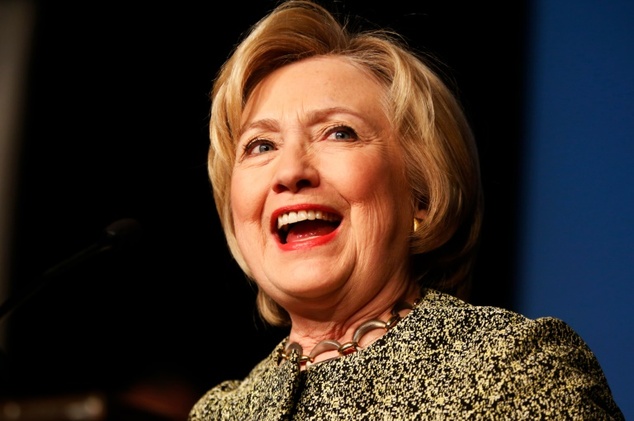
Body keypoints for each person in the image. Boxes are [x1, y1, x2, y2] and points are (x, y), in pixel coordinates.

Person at [188, 0, 624, 419]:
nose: (290, 172)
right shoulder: (218, 412)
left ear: (421, 193)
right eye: (261, 145)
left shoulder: (513, 368)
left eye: (338, 133)